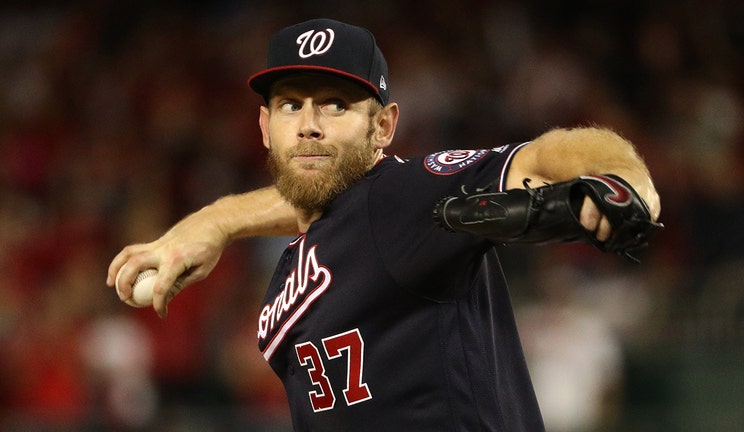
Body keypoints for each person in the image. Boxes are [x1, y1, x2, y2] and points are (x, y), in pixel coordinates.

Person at [107, 18, 661, 432]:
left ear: (384, 127)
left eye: (336, 105)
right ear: (264, 125)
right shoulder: (306, 249)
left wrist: (623, 174)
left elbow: (547, 156)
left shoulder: (406, 196)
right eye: (290, 105)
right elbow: (320, 204)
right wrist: (216, 221)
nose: (309, 127)